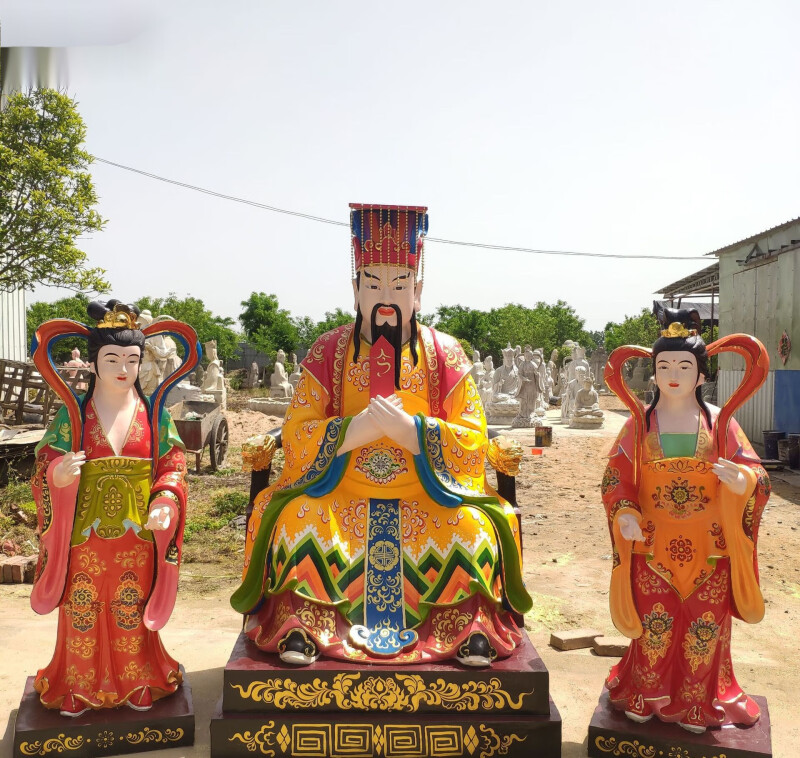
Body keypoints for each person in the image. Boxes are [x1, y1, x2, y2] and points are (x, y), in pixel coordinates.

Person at [232, 204, 531, 667]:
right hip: (341, 492)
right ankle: (304, 625)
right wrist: (356, 430)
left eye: (399, 284)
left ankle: (466, 628)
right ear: (355, 291)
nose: (385, 296)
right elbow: (296, 432)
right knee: (295, 522)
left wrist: (412, 432)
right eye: (372, 284)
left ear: (418, 292)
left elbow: (474, 436)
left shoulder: (445, 353)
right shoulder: (328, 349)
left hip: (428, 495)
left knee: (475, 531)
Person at [601, 311, 770, 733]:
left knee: (702, 627)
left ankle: (699, 700)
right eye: (663, 366)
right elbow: (614, 480)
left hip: (710, 547)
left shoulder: (722, 424)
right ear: (652, 374)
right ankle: (644, 691)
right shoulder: (638, 426)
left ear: (700, 375)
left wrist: (744, 479)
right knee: (653, 625)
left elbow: (758, 475)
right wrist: (625, 513)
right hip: (652, 544)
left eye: (683, 366)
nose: (672, 375)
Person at [30, 300, 190, 716]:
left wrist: (166, 500)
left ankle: (138, 678)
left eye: (133, 360)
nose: (124, 369)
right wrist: (57, 477)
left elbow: (172, 465)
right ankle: (75, 683)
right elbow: (47, 460)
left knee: (129, 606)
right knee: (81, 603)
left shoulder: (154, 415)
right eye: (113, 358)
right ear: (95, 363)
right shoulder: (74, 416)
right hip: (85, 533)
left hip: (137, 533)